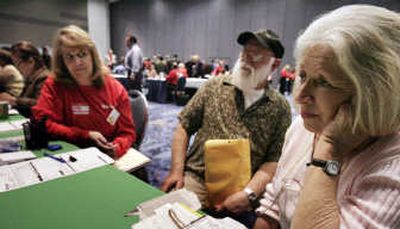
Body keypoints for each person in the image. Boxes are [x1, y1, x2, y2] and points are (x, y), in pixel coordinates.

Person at [254, 5, 400, 228]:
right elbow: (273, 206)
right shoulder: (302, 127)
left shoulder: (393, 166)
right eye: (302, 76)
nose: (301, 96)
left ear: (374, 94)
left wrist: (329, 149)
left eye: (324, 82)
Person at [161, 29, 291, 227]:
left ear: (275, 64)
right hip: (198, 179)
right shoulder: (214, 87)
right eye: (244, 52)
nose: (246, 59)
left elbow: (273, 160)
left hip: (243, 187)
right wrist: (176, 171)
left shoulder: (279, 107)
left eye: (255, 55)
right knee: (168, 220)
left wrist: (248, 193)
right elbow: (183, 127)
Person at [32, 25, 136, 159]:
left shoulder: (115, 89)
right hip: (69, 155)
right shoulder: (55, 85)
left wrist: (116, 148)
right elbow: (42, 123)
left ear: (92, 55)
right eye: (69, 57)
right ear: (62, 61)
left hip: (106, 157)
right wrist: (84, 135)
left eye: (82, 54)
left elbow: (127, 133)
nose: (77, 62)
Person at [0, 41, 50, 117]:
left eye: (18, 64)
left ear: (31, 61)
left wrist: (14, 100)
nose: (17, 68)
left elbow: (41, 103)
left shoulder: (44, 77)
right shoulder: (31, 77)